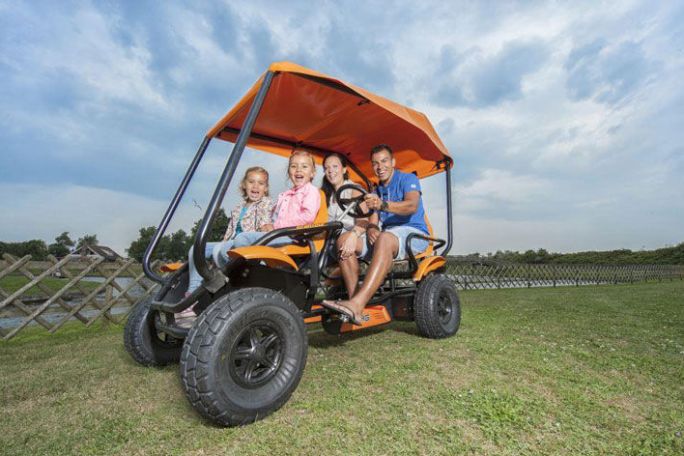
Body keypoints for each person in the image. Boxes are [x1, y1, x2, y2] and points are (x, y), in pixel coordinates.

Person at [322, 144, 429, 325]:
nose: (380, 167)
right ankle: (354, 304)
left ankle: (356, 304)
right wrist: (371, 228)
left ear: (393, 162)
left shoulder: (407, 179)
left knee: (385, 238)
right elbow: (372, 219)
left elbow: (411, 205)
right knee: (343, 241)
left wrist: (382, 206)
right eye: (375, 163)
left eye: (384, 161)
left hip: (413, 234)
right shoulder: (375, 191)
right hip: (386, 237)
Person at [184, 166, 273, 296]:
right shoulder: (238, 208)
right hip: (229, 243)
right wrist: (222, 244)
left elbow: (265, 217)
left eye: (260, 183)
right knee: (196, 249)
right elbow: (230, 230)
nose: (255, 186)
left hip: (247, 246)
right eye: (251, 182)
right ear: (244, 184)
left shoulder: (265, 203)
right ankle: (192, 291)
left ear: (265, 189)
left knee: (223, 248)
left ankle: (221, 281)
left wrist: (266, 225)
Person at [231, 148, 321, 248]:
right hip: (277, 234)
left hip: (293, 238)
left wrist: (276, 227)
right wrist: (267, 226)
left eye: (304, 166)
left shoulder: (311, 191)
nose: (298, 169)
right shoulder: (285, 195)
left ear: (313, 173)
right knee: (221, 248)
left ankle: (254, 261)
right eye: (293, 166)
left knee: (242, 239)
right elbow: (274, 216)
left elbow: (307, 217)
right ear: (289, 172)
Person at [321, 152, 369, 289]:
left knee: (343, 241)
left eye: (335, 166)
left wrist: (353, 236)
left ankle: (355, 299)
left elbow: (364, 221)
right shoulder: (326, 195)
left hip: (358, 237)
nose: (331, 171)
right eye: (327, 168)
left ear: (344, 169)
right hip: (332, 241)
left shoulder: (354, 191)